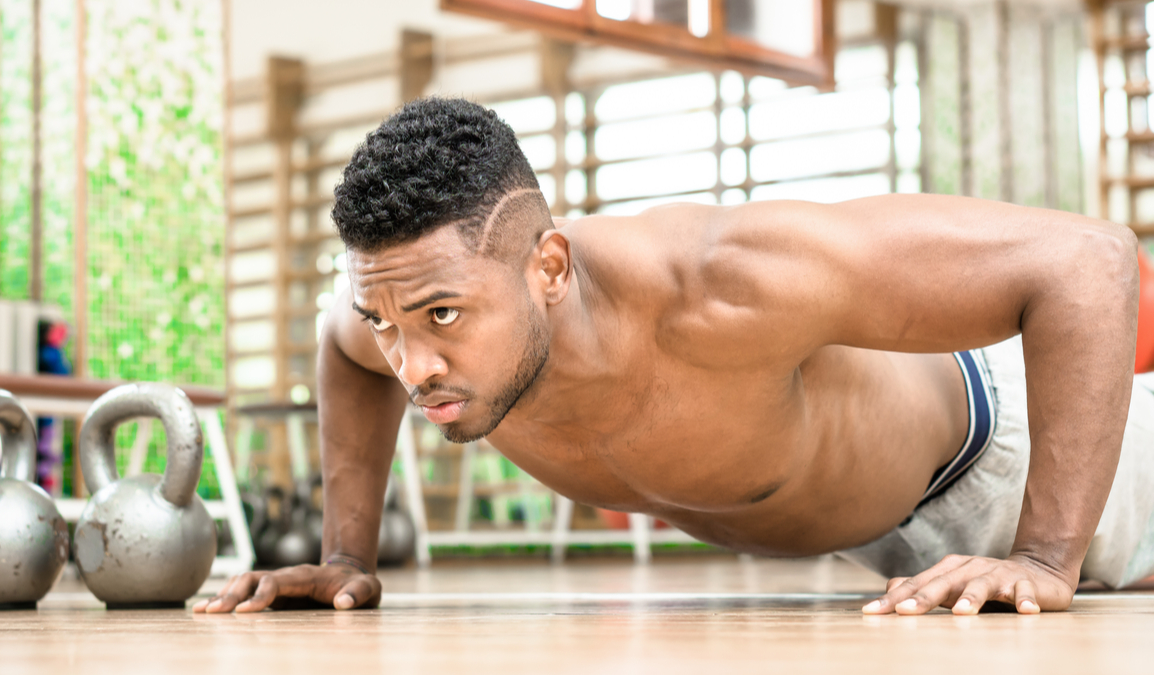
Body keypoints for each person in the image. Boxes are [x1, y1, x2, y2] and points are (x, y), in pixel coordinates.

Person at [196, 97, 1154, 617]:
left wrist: (1041, 553)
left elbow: (1089, 262)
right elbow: (343, 347)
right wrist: (344, 556)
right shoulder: (401, 314)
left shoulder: (728, 282)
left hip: (1026, 457)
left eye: (443, 316)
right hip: (892, 549)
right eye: (388, 321)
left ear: (551, 268)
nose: (412, 363)